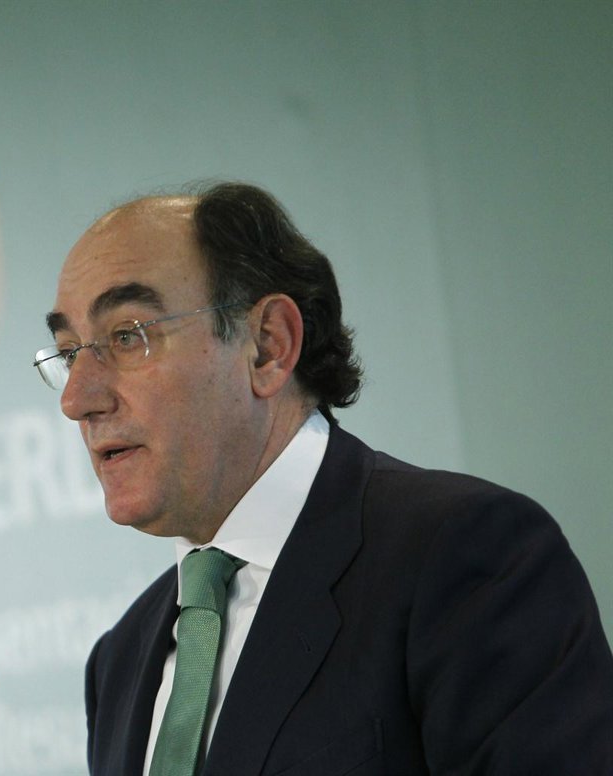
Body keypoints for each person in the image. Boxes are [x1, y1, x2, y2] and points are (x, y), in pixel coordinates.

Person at [33, 182, 613, 775]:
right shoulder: (120, 661)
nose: (76, 400)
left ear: (268, 347)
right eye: (68, 352)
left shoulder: (467, 559)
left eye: (127, 336)